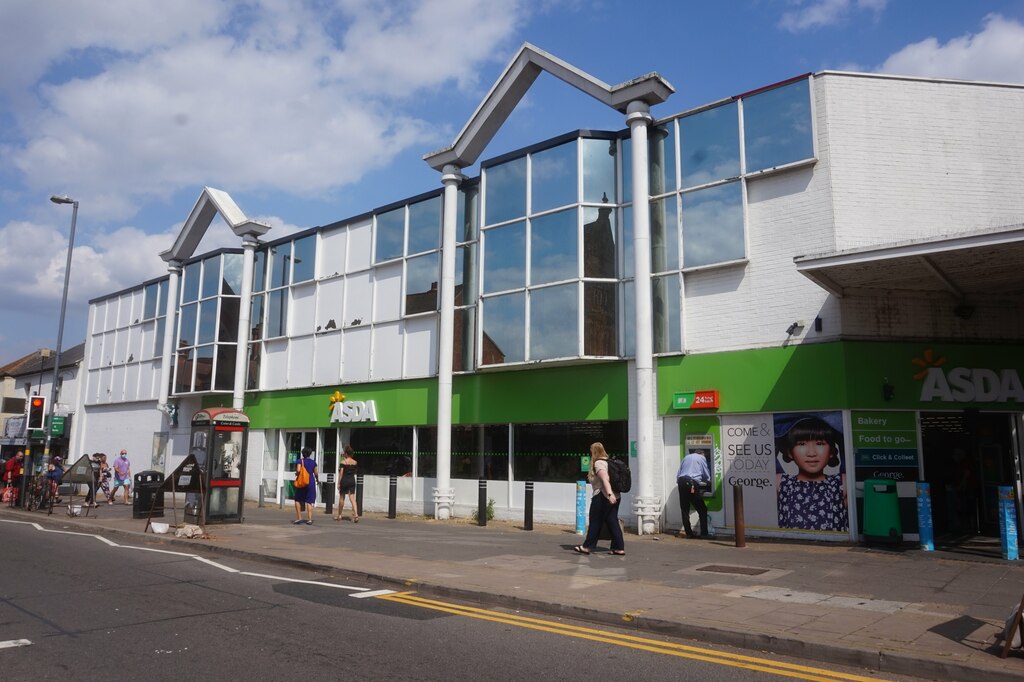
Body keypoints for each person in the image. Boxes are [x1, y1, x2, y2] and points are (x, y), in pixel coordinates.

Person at [776, 416, 848, 532]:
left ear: (832, 452)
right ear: (790, 452)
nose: (811, 453)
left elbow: (847, 434)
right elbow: (765, 436)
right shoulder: (781, 483)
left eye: (819, 443)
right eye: (802, 444)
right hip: (790, 548)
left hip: (832, 549)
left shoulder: (841, 483)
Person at [573, 442, 625, 556]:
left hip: (603, 496)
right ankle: (619, 547)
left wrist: (609, 495)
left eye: (591, 451)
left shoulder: (599, 463)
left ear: (594, 452)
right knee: (612, 522)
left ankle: (587, 546)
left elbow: (605, 479)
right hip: (615, 496)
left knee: (595, 521)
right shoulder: (609, 462)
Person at [676, 449, 711, 539]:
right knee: (702, 509)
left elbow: (678, 473)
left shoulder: (686, 457)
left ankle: (689, 533)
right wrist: (708, 481)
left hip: (681, 482)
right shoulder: (701, 458)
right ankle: (704, 533)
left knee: (684, 509)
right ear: (702, 453)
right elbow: (706, 473)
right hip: (691, 483)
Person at [293, 447, 318, 525]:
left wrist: (297, 474)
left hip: (302, 482)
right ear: (310, 454)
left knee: (297, 499)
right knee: (309, 501)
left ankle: (299, 518)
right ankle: (310, 519)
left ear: (302, 453)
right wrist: (317, 479)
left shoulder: (300, 461)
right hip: (310, 482)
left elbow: (298, 470)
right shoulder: (313, 462)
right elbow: (316, 473)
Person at [334, 444, 359, 522]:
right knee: (352, 498)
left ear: (346, 454)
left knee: (342, 498)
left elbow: (341, 473)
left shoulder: (343, 462)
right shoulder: (355, 462)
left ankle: (340, 515)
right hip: (352, 480)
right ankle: (356, 515)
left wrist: (338, 483)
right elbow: (355, 472)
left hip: (344, 480)